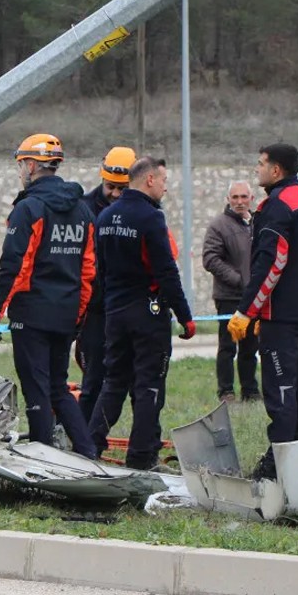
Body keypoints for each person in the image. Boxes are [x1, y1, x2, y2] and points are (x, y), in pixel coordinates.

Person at [0, 134, 97, 458]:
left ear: (32, 165)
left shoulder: (28, 209)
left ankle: (42, 461)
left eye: (21, 165)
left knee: (36, 389)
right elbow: (88, 271)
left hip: (31, 314)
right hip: (66, 314)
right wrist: (78, 315)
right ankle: (88, 453)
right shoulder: (83, 211)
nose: (20, 172)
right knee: (59, 388)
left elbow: (13, 266)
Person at [88, 156, 195, 470]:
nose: (165, 187)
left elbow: (101, 272)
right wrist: (185, 316)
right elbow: (166, 272)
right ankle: (141, 457)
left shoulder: (106, 217)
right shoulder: (151, 218)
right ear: (149, 180)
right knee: (149, 385)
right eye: (163, 181)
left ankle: (90, 445)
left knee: (113, 382)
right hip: (148, 314)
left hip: (116, 313)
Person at [227, 144, 298, 480]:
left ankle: (279, 466)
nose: (258, 170)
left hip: (280, 315)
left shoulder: (277, 206)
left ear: (277, 170)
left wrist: (247, 311)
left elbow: (273, 261)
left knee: (281, 391)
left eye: (261, 164)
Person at [75, 145, 136, 422]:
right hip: (96, 309)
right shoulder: (84, 209)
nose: (114, 194)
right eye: (110, 186)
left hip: (128, 306)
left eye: (121, 189)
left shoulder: (144, 209)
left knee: (136, 381)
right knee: (93, 382)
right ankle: (84, 440)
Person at [202, 181, 259, 402]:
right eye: (234, 197)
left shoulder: (257, 223)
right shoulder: (218, 225)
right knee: (227, 346)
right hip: (228, 296)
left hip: (254, 297)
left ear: (251, 198)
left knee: (250, 347)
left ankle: (250, 391)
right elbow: (210, 259)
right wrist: (239, 280)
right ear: (228, 199)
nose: (239, 201)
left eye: (244, 197)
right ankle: (226, 391)